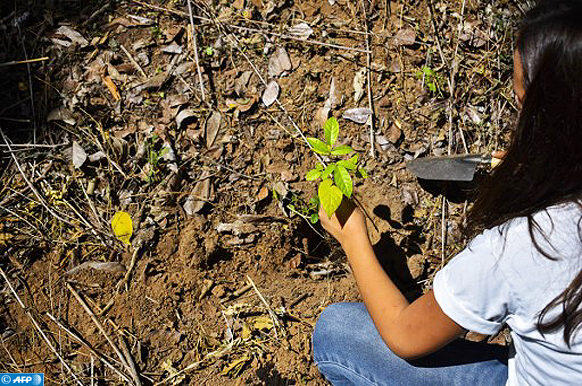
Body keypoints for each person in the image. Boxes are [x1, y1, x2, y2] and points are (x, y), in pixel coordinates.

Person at [312, 1, 582, 385]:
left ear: (553, 118)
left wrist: (352, 236)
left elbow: (405, 336)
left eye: (523, 104)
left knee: (337, 333)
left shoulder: (528, 245)